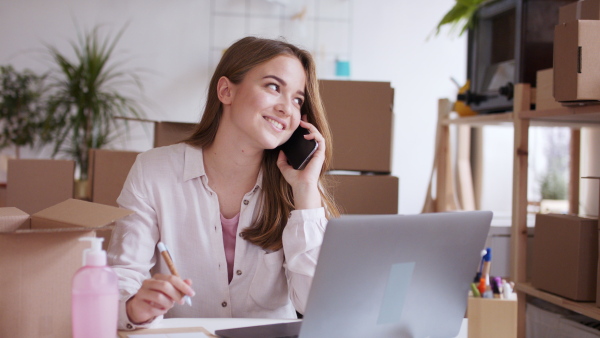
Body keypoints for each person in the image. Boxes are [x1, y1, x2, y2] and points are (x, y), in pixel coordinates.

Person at [108, 36, 340, 330]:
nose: (287, 108)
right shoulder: (153, 171)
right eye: (273, 87)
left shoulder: (298, 189)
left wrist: (306, 191)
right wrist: (133, 307)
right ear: (226, 90)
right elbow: (122, 276)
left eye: (297, 99)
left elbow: (314, 304)